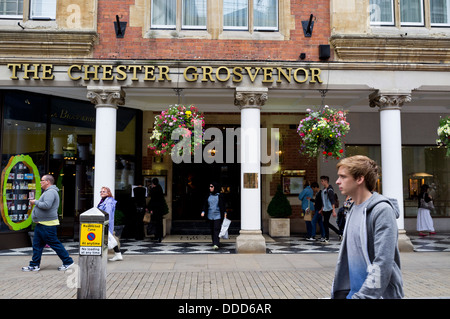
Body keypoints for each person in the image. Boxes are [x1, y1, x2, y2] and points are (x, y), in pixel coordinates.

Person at [332, 155, 403, 299]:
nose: (337, 181)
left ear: (360, 179)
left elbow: (383, 263)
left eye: (343, 177)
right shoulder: (352, 208)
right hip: (353, 294)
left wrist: (364, 296)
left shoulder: (382, 210)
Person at [22, 175, 74, 272]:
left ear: (47, 182)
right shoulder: (48, 192)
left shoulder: (50, 192)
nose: (40, 182)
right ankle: (34, 265)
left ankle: (68, 261)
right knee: (37, 245)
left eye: (42, 180)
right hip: (42, 224)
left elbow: (46, 205)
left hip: (48, 225)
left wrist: (35, 202)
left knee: (55, 244)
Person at [98, 186, 122, 261]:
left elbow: (108, 213)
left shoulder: (108, 201)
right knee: (109, 239)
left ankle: (101, 255)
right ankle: (118, 255)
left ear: (108, 193)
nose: (102, 193)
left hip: (105, 223)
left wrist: (106, 222)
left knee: (107, 239)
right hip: (105, 222)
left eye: (104, 191)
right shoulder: (104, 200)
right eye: (101, 191)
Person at [201, 181, 226, 250]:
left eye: (211, 187)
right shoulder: (208, 195)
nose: (210, 188)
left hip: (218, 215)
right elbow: (205, 204)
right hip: (210, 215)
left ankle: (216, 243)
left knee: (216, 229)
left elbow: (223, 205)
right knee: (212, 229)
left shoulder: (220, 196)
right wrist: (203, 211)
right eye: (209, 187)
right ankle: (214, 242)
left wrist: (225, 213)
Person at [320, 176, 342, 242]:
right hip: (325, 209)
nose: (321, 182)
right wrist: (322, 209)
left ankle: (327, 238)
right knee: (326, 223)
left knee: (325, 223)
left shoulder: (329, 190)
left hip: (329, 208)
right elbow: (323, 200)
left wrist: (333, 211)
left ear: (326, 181)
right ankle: (339, 233)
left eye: (322, 181)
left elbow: (332, 201)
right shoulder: (324, 189)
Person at [147, 178, 165, 243]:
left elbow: (152, 200)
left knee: (155, 223)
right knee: (160, 223)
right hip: (160, 209)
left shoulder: (154, 190)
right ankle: (160, 236)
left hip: (155, 209)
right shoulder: (160, 188)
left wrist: (150, 208)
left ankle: (157, 235)